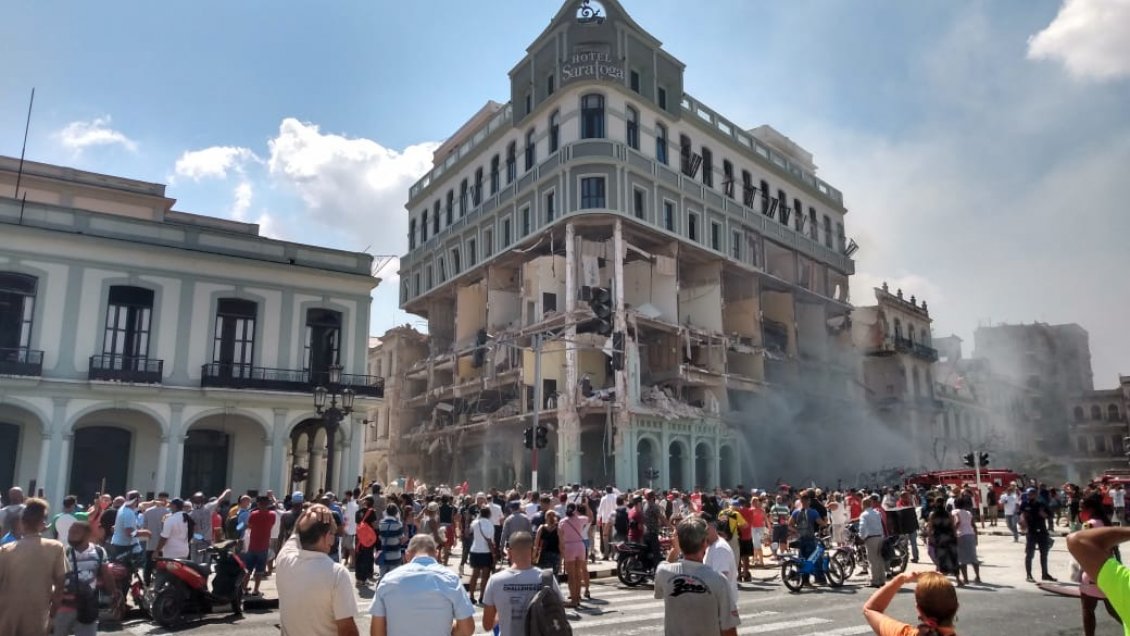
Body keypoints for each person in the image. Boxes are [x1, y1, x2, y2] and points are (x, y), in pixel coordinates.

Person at [275, 503, 359, 636]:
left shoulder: (284, 559)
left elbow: (297, 531)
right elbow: (347, 630)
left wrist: (310, 510)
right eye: (332, 534)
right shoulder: (337, 574)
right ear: (327, 537)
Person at [369, 534, 474, 636]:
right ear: (436, 554)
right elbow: (467, 629)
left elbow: (377, 632)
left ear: (407, 555)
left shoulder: (387, 580)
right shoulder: (451, 579)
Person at [654, 516, 740, 636]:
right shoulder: (719, 581)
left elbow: (666, 567)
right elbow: (729, 629)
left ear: (678, 541)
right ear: (704, 543)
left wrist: (675, 549)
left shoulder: (663, 572)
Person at [0, 498, 67, 636]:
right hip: (38, 614)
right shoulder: (55, 548)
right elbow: (60, 583)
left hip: (7, 615)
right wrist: (53, 612)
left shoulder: (5, 550)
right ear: (43, 523)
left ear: (22, 523)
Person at [483, 531, 563, 636]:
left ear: (509, 552)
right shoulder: (547, 578)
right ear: (533, 551)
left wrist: (499, 616)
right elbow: (558, 613)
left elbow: (487, 625)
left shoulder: (495, 581)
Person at [1073, 498, 1123, 636]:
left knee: (1088, 610)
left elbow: (1083, 548)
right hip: (1109, 569)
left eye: (1082, 508)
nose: (1080, 511)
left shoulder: (1089, 525)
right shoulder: (1106, 524)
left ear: (1090, 509)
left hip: (1092, 571)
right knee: (1114, 609)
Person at [53, 520, 111, 636]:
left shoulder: (99, 552)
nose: (71, 534)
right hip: (65, 606)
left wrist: (114, 594)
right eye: (70, 532)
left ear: (87, 535)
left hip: (87, 605)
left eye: (75, 532)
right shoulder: (64, 552)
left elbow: (106, 575)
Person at [862, 571, 959, 636]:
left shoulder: (904, 633)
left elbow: (870, 609)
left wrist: (900, 579)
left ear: (919, 609)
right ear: (956, 606)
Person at [1019, 487, 1056, 582]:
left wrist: (1044, 514)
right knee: (1029, 554)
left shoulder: (1041, 504)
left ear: (1036, 495)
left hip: (1042, 531)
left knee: (1044, 554)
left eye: (1031, 494)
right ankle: (1029, 575)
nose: (1029, 496)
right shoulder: (1025, 504)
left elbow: (1050, 515)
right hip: (1031, 532)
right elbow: (1021, 514)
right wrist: (1022, 522)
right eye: (1028, 494)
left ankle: (1045, 574)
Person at [243, 496, 276, 597]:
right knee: (260, 570)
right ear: (268, 504)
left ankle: (244, 588)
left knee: (248, 569)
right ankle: (255, 590)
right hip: (263, 546)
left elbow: (249, 525)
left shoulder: (253, 514)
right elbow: (272, 525)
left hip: (252, 546)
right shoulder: (272, 515)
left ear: (258, 504)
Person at [560, 502, 588, 607]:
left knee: (571, 575)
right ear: (575, 510)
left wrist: (561, 551)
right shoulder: (581, 519)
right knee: (578, 573)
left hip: (569, 546)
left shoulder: (562, 522)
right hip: (580, 546)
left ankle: (573, 599)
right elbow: (590, 517)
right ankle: (578, 597)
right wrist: (586, 504)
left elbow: (561, 538)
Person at [702, 515, 738, 598]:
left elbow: (720, 581)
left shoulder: (719, 549)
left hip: (722, 605)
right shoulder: (712, 547)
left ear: (709, 527)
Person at [467, 505, 496, 604]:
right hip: (486, 551)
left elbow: (468, 533)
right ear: (489, 514)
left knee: (474, 574)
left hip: (475, 550)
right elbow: (491, 540)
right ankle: (482, 596)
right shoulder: (490, 524)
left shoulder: (475, 523)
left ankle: (470, 595)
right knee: (485, 576)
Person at [859, 495, 887, 588]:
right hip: (880, 537)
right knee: (880, 559)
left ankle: (875, 581)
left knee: (872, 560)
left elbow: (862, 528)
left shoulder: (864, 515)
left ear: (863, 504)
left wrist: (861, 537)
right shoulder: (876, 513)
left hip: (871, 538)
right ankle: (882, 579)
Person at [951, 499, 980, 586]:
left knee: (962, 559)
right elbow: (973, 525)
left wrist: (953, 531)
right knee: (973, 557)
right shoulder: (968, 512)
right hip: (970, 534)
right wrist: (976, 537)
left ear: (955, 505)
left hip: (961, 535)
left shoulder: (955, 512)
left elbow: (957, 522)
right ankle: (977, 577)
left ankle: (966, 579)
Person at [927, 500, 958, 579]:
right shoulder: (948, 514)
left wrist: (930, 538)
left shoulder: (932, 514)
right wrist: (955, 536)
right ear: (944, 504)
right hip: (949, 537)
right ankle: (958, 579)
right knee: (953, 558)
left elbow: (930, 528)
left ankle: (943, 579)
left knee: (941, 558)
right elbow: (953, 526)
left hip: (939, 538)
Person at [377, 503, 406, 578]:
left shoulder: (381, 523)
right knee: (394, 578)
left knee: (383, 578)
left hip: (384, 555)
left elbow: (380, 537)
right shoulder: (398, 524)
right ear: (396, 512)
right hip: (395, 555)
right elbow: (401, 540)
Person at [355, 496, 378, 588]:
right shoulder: (372, 512)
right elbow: (374, 524)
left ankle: (358, 578)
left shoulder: (357, 513)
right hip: (368, 539)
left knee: (359, 557)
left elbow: (357, 524)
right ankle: (364, 579)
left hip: (359, 538)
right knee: (367, 557)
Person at [533, 509, 562, 575]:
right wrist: (560, 562)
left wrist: (534, 556)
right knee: (554, 577)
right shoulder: (558, 529)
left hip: (543, 555)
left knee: (544, 577)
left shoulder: (541, 528)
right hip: (555, 555)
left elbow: (536, 543)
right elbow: (561, 546)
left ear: (545, 517)